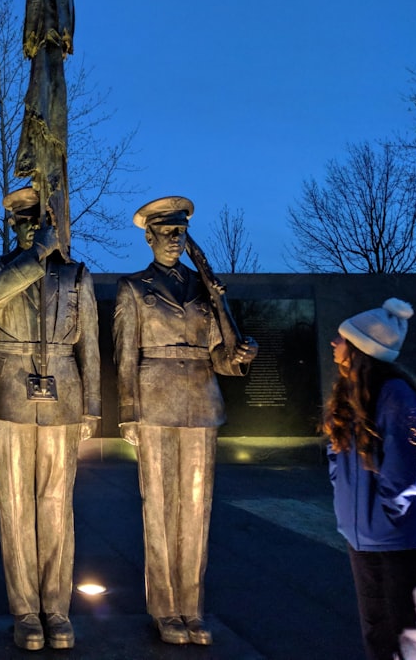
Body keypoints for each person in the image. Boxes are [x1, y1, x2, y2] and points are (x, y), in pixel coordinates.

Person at [113, 195, 257, 646]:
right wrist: (129, 415)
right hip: (154, 405)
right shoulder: (133, 288)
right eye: (166, 232)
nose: (174, 240)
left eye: (180, 232)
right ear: (149, 235)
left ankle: (191, 608)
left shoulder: (205, 288)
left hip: (200, 403)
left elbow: (219, 353)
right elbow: (125, 357)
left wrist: (239, 354)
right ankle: (164, 608)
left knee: (196, 511)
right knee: (157, 508)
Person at [0, 186, 100, 651]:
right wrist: (38, 254)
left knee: (56, 506)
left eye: (40, 220)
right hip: (10, 395)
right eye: (24, 221)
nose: (33, 227)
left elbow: (88, 343)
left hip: (62, 395)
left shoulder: (75, 274)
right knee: (15, 508)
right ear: (13, 225)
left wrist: (91, 408)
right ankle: (26, 609)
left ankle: (56, 607)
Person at [325, 298, 416, 659]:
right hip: (364, 539)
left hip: (403, 540)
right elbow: (337, 460)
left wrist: (387, 514)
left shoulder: (396, 394)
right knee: (379, 639)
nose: (335, 343)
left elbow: (405, 469)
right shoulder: (349, 396)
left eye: (342, 338)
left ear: (361, 348)